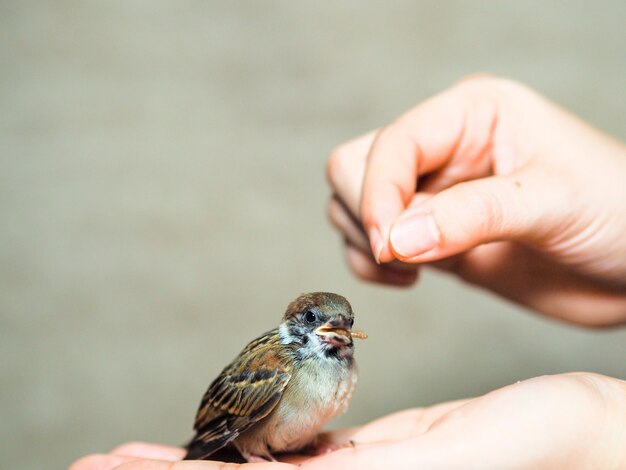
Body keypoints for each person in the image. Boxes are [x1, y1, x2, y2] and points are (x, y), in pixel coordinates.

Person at [70, 76, 626, 469]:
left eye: (342, 322)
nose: (332, 329)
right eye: (318, 320)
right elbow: (226, 414)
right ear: (297, 322)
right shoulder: (275, 366)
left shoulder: (343, 367)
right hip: (244, 435)